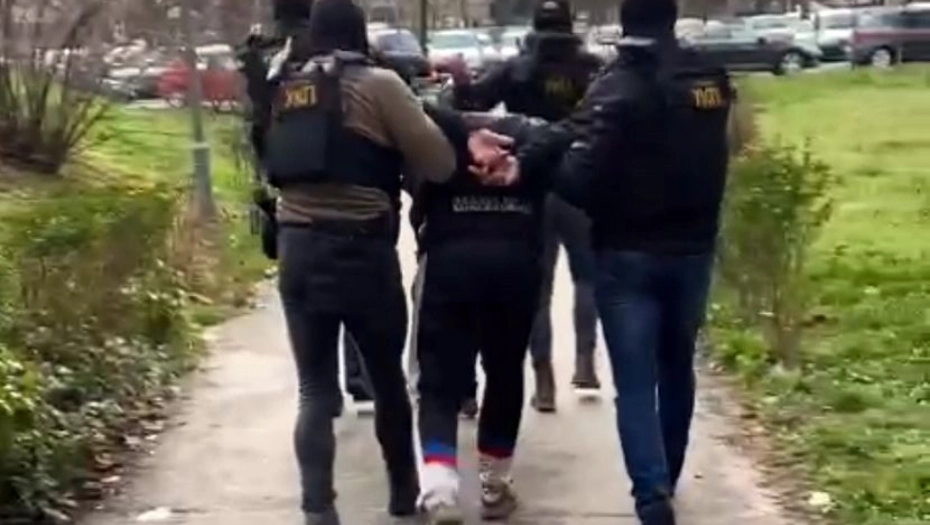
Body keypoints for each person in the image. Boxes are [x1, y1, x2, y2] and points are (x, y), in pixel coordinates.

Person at [469, 0, 734, 523]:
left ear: (626, 22)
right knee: (677, 368)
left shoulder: (621, 83)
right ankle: (667, 475)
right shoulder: (709, 77)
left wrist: (539, 166)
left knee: (635, 382)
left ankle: (651, 495)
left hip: (629, 252)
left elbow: (580, 178)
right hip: (694, 249)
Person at [258, 0, 458, 523]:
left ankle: (318, 509)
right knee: (387, 380)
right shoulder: (379, 85)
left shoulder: (287, 86)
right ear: (360, 33)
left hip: (297, 249)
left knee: (314, 389)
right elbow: (439, 163)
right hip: (362, 251)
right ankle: (403, 495)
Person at [445, 0, 604, 413]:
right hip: (581, 180)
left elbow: (471, 102)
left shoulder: (515, 68)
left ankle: (543, 378)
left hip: (530, 180)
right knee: (587, 276)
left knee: (539, 286)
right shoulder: (591, 69)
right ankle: (585, 361)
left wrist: (460, 80)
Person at [411, 109, 548, 524]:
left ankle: (440, 486)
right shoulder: (530, 141)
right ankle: (494, 484)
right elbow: (565, 140)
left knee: (438, 377)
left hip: (450, 263)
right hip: (516, 266)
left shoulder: (440, 141)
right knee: (505, 372)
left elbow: (419, 204)